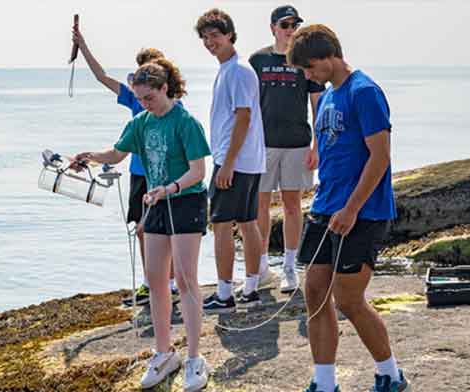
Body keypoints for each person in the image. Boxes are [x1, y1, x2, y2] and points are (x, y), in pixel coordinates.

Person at [71, 58, 211, 392]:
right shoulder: (141, 122)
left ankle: (194, 357)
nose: (144, 103)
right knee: (155, 280)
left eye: (149, 97)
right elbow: (117, 154)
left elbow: (198, 171)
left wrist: (171, 187)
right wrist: (88, 156)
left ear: (165, 89)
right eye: (140, 98)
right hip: (157, 204)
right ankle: (164, 353)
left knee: (188, 280)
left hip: (186, 201)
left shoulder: (185, 122)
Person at [286, 24, 410, 392]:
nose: (308, 76)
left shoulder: (364, 91)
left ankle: (390, 374)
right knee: (314, 292)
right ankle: (324, 383)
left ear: (329, 56)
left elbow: (380, 157)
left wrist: (352, 208)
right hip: (326, 208)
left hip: (365, 211)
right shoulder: (326, 98)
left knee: (349, 299)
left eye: (310, 68)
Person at [72, 25, 180, 306]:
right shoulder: (134, 96)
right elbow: (100, 76)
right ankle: (153, 282)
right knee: (142, 229)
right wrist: (82, 45)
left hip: (164, 176)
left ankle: (167, 283)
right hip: (139, 172)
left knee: (156, 229)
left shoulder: (170, 103)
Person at [195, 9, 273, 313]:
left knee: (221, 225)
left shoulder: (238, 70)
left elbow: (244, 117)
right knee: (248, 222)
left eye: (215, 35)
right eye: (204, 37)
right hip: (246, 160)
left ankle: (225, 294)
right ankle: (251, 288)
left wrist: (226, 164)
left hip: (236, 161)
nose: (209, 41)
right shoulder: (231, 68)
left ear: (229, 34)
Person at [248, 5, 325, 293]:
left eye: (294, 25)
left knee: (293, 204)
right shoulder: (257, 60)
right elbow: (247, 107)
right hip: (263, 145)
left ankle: (290, 267)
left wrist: (317, 146)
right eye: (285, 25)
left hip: (297, 144)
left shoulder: (306, 62)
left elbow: (319, 107)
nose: (290, 29)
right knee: (260, 206)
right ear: (273, 28)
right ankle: (262, 266)